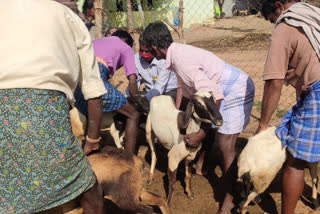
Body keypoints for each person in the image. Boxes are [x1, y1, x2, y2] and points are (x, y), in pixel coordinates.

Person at [0, 0, 107, 213]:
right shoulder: (68, 16)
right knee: (90, 191)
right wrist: (93, 140)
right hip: (43, 112)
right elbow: (94, 93)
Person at [141, 21, 255, 214]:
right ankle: (222, 177)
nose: (149, 54)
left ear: (154, 48)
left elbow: (212, 96)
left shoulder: (182, 61)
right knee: (213, 133)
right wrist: (179, 123)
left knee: (225, 144)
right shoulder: (176, 56)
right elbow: (188, 96)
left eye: (149, 51)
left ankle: (229, 202)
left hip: (235, 89)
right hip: (220, 90)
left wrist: (201, 133)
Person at [257, 1, 320, 213]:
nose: (273, 23)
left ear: (278, 6)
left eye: (271, 19)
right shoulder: (313, 15)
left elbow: (273, 82)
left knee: (295, 161)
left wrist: (263, 124)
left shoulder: (285, 28)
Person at [75, 30, 140, 154]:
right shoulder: (126, 48)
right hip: (96, 74)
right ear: (128, 43)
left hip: (77, 78)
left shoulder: (96, 41)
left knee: (91, 112)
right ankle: (130, 158)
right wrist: (136, 101)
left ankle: (89, 153)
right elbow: (132, 80)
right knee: (133, 115)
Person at [126, 35, 177, 101]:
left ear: (154, 49)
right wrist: (127, 99)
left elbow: (159, 86)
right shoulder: (136, 59)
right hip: (149, 92)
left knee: (163, 104)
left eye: (147, 51)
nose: (143, 53)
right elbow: (134, 81)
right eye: (141, 50)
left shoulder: (164, 60)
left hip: (169, 90)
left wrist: (144, 101)